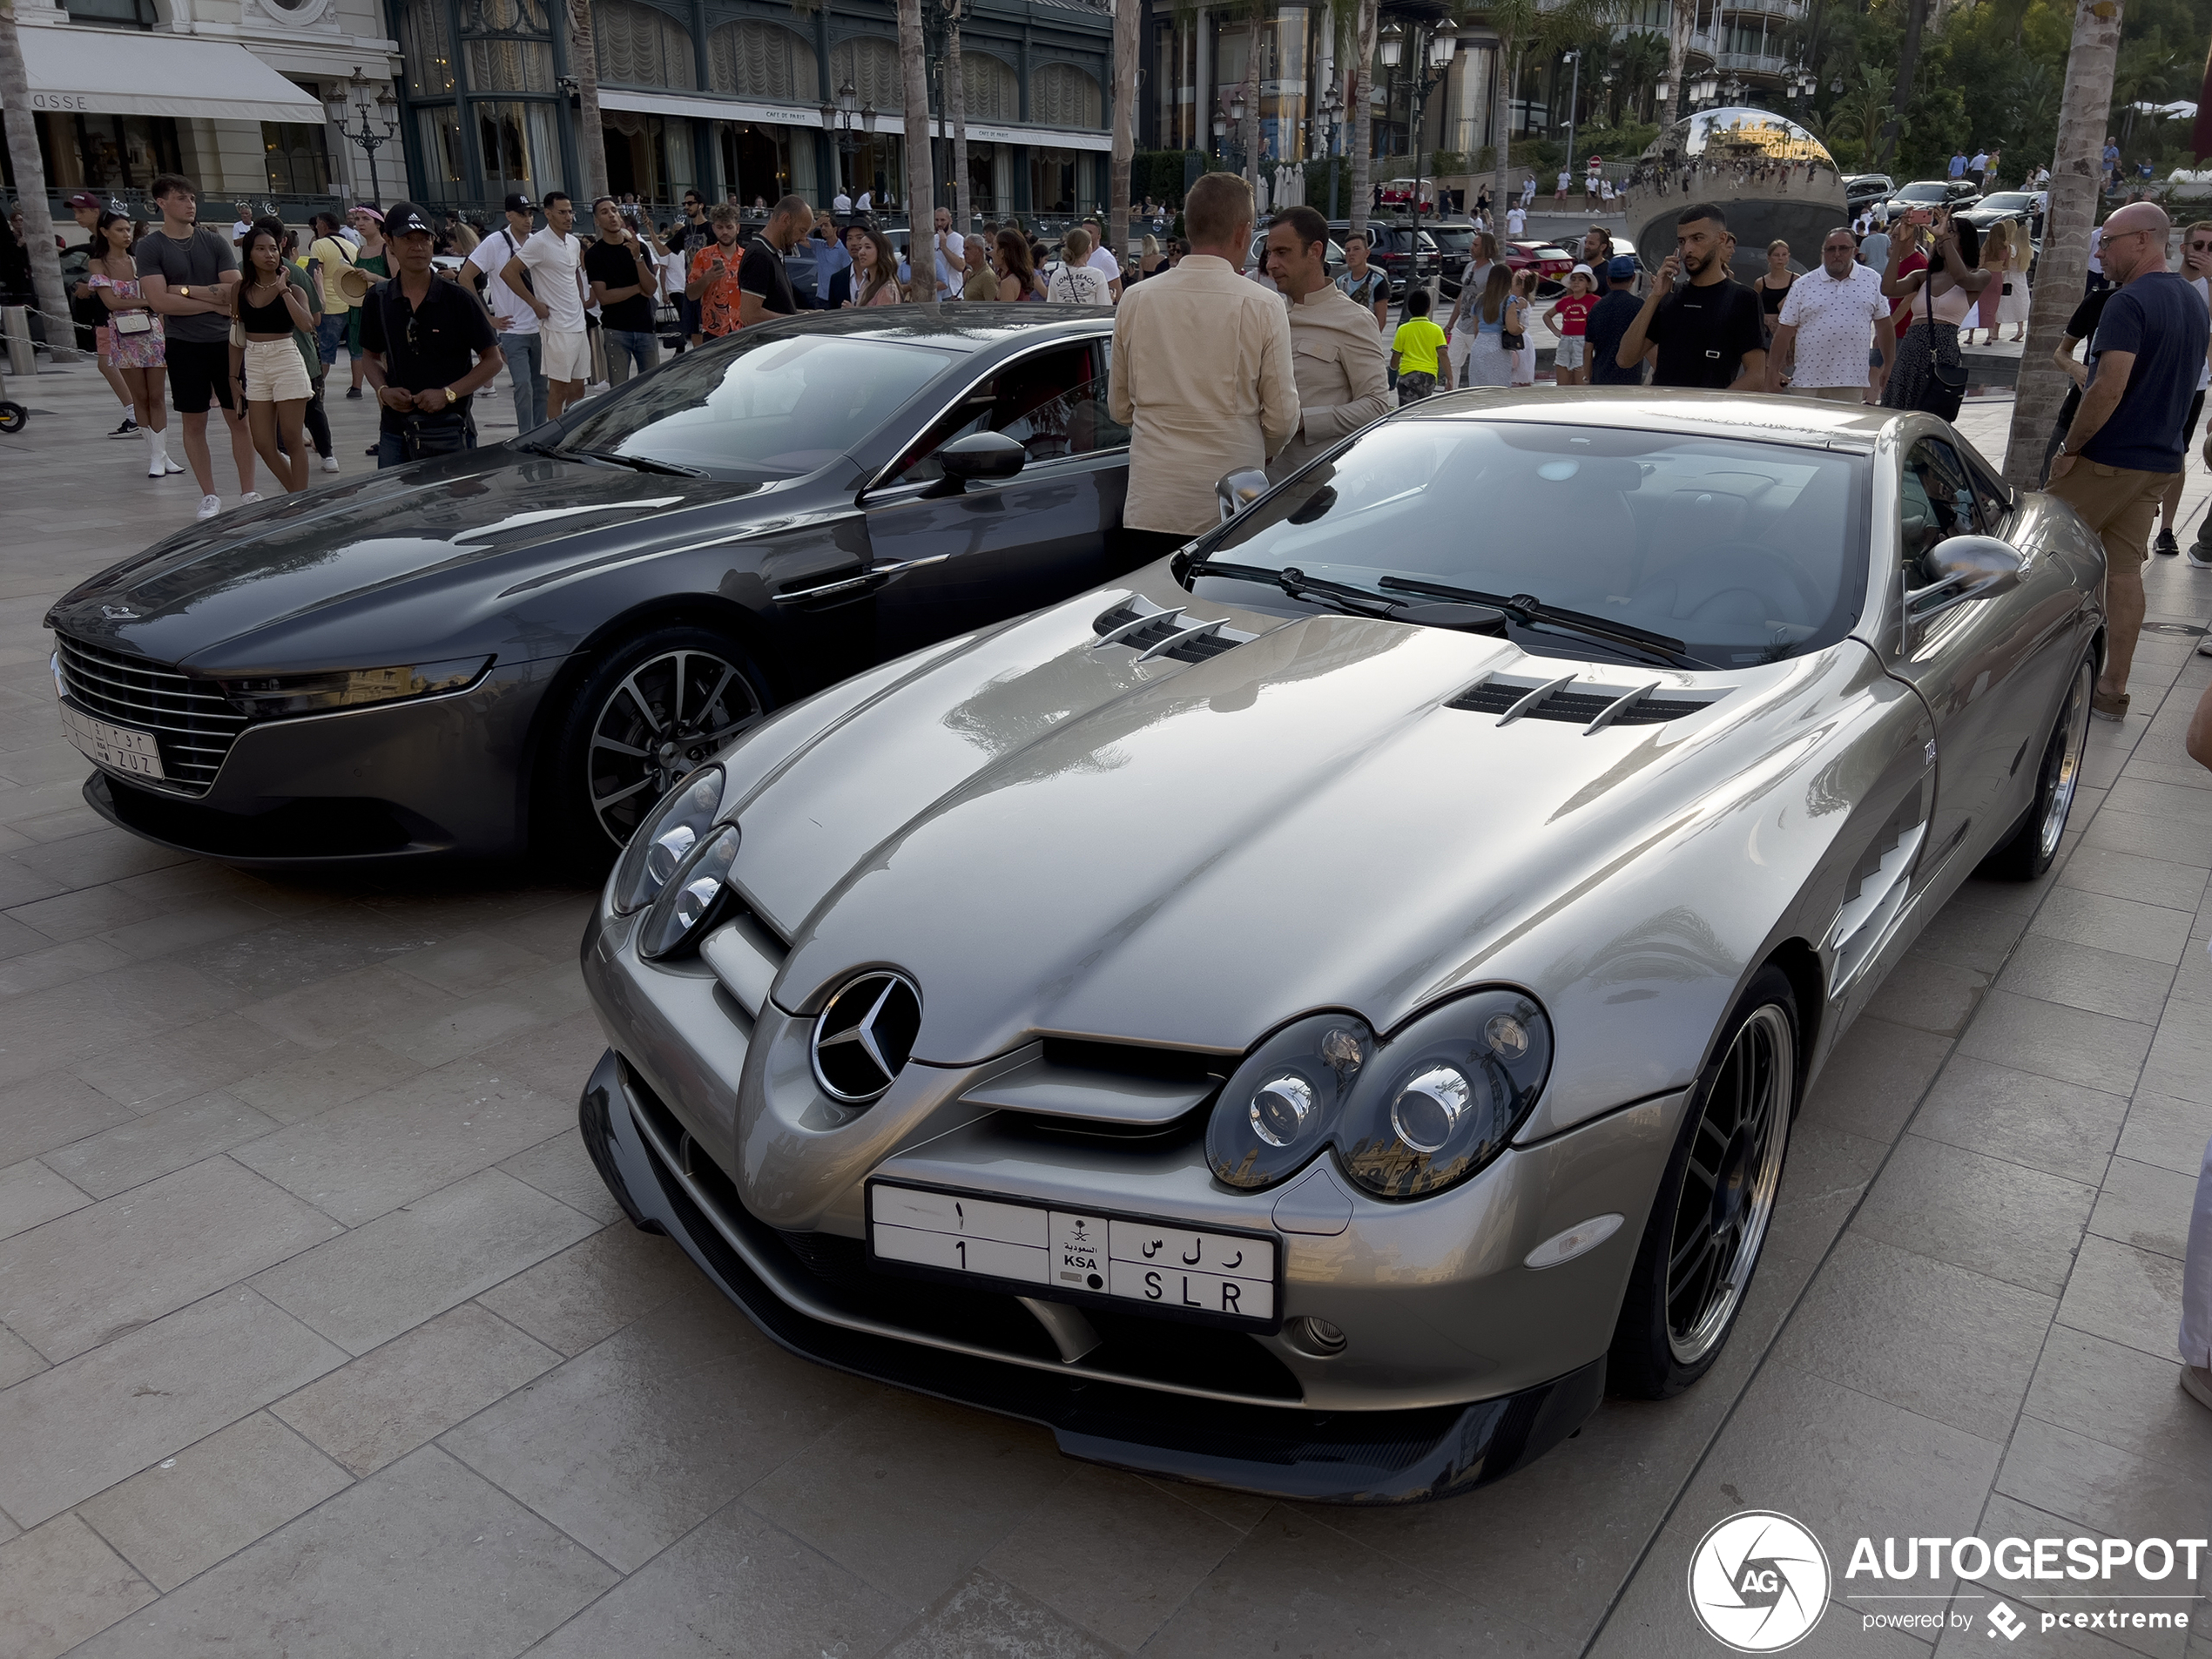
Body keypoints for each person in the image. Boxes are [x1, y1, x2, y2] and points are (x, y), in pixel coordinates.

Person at [2047, 201, 2207, 722]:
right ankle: (2112, 688)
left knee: (2038, 560)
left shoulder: (2126, 303)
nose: (2101, 252)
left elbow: (2106, 388)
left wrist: (2069, 452)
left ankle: (2019, 680)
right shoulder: (2192, 300)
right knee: (2123, 573)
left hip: (2108, 459)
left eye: (2108, 242)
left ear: (2142, 241)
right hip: (2159, 461)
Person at [1108, 171, 1297, 550]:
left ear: (1190, 228)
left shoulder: (1136, 299)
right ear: (1243, 233)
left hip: (1153, 501)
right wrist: (1264, 445)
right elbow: (1281, 417)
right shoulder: (1263, 304)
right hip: (1231, 503)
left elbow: (1119, 407)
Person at [133, 173, 257, 521]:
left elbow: (234, 292)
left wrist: (184, 291)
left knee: (239, 419)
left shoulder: (213, 242)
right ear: (162, 203)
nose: (190, 205)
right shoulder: (151, 246)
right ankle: (209, 495)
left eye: (192, 198)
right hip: (183, 344)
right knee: (194, 422)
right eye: (182, 198)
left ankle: (248, 490)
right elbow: (159, 302)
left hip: (226, 343)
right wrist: (211, 300)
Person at [361, 203, 504, 469]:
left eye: (424, 238)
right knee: (397, 505)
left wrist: (448, 393)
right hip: (395, 430)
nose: (418, 247)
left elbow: (493, 359)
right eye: (407, 239)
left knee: (452, 508)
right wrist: (383, 390)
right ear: (389, 242)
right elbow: (369, 355)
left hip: (450, 429)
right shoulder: (378, 298)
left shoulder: (458, 298)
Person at [1261, 205, 1389, 480]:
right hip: (1257, 487)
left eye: (1282, 253)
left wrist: (1304, 421)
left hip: (1317, 491)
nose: (1271, 263)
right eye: (1269, 253)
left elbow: (1377, 406)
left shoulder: (1353, 320)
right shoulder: (1268, 314)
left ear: (1315, 251)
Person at [1615, 202, 1766, 390]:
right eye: (1682, 241)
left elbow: (1756, 375)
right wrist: (1654, 297)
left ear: (1721, 238)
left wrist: (1712, 409)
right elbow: (1625, 359)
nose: (1688, 249)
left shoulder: (1743, 298)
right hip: (1663, 411)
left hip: (1706, 415)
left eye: (1697, 238)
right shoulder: (1669, 297)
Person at [87, 213, 176, 478]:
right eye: (120, 230)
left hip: (151, 333)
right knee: (140, 396)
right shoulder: (98, 264)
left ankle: (162, 454)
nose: (126, 234)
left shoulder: (140, 262)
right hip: (124, 335)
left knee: (158, 396)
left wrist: (150, 303)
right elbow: (111, 303)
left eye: (128, 229)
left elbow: (159, 296)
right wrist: (146, 302)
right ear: (105, 232)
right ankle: (155, 455)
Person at [233, 219, 317, 496]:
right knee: (263, 443)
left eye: (273, 249)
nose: (269, 254)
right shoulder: (239, 290)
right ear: (249, 254)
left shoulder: (294, 290)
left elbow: (307, 324)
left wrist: (283, 289)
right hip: (255, 362)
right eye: (261, 249)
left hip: (285, 357)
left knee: (292, 437)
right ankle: (298, 496)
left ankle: (299, 501)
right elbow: (236, 336)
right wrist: (233, 377)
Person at [1879, 211, 1988, 421]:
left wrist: (1941, 236)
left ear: (1964, 239)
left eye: (1950, 232)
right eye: (1941, 231)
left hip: (1943, 352)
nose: (1941, 235)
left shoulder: (1979, 275)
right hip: (1911, 349)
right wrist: (1899, 246)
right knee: (1897, 413)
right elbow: (1888, 288)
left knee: (1932, 416)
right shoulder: (1923, 276)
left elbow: (1961, 278)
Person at [1764, 226, 1893, 403]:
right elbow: (1784, 331)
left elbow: (1884, 325)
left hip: (1851, 382)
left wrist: (1889, 364)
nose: (1837, 254)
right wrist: (1772, 371)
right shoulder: (1803, 284)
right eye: (1831, 249)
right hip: (1807, 381)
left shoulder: (1872, 279)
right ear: (1823, 252)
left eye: (1843, 248)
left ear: (1855, 251)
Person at [2155, 220, 2212, 556]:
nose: (2205, 253)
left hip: (2194, 383)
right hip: (2158, 377)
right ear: (2184, 248)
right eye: (2199, 246)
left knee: (2177, 454)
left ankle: (2167, 529)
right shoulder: (2166, 282)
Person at [466, 194, 546, 435]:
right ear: (509, 215)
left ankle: (541, 433)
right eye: (522, 214)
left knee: (541, 386)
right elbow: (465, 277)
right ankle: (526, 434)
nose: (528, 219)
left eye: (531, 214)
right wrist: (486, 316)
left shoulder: (537, 241)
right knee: (523, 385)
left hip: (540, 326)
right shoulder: (494, 242)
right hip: (512, 329)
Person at [504, 192, 589, 419]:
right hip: (556, 327)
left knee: (579, 389)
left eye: (570, 211)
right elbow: (509, 272)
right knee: (558, 390)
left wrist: (582, 299)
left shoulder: (573, 242)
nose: (569, 216)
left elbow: (574, 276)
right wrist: (534, 303)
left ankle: (573, 435)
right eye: (562, 212)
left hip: (579, 324)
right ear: (549, 214)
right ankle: (553, 439)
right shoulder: (538, 242)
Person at [584, 196, 661, 386]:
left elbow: (651, 288)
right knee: (618, 391)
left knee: (652, 389)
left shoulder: (639, 247)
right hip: (616, 330)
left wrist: (638, 258)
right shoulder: (595, 254)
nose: (611, 215)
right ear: (597, 221)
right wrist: (636, 288)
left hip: (645, 328)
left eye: (614, 210)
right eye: (604, 212)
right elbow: (604, 296)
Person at [737, 194, 808, 327]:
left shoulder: (772, 253)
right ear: (785, 219)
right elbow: (750, 316)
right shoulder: (759, 255)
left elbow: (779, 310)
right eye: (802, 230)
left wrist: (808, 315)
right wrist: (797, 321)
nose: (803, 239)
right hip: (767, 345)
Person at [342, 207, 388, 398]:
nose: (360, 223)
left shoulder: (387, 248)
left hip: (382, 310)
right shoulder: (361, 250)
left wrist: (373, 277)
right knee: (365, 355)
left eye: (365, 219)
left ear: (378, 223)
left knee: (386, 359)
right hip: (361, 309)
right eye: (358, 219)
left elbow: (398, 281)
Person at [685, 203, 747, 340]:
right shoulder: (703, 256)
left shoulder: (747, 257)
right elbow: (691, 295)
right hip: (714, 330)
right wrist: (706, 279)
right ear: (713, 228)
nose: (725, 232)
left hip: (743, 328)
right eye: (720, 227)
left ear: (737, 228)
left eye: (729, 227)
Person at [1444, 231, 1499, 381]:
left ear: (1485, 248)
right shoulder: (1469, 267)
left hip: (1479, 327)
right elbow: (1461, 297)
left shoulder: (1491, 271)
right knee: (1452, 362)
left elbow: (1492, 301)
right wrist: (1450, 324)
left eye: (1476, 245)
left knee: (1481, 365)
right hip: (1461, 326)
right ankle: (1451, 393)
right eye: (1472, 244)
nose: (1471, 247)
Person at [1587, 256, 1646, 385]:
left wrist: (1587, 378)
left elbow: (1588, 347)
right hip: (1630, 380)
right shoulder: (1640, 306)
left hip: (1601, 378)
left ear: (1608, 280)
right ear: (1634, 278)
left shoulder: (1597, 307)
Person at [1461, 265, 1520, 388]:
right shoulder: (1509, 300)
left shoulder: (1480, 299)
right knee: (1498, 387)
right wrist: (1522, 328)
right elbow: (1512, 328)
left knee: (1479, 387)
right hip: (1498, 346)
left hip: (1480, 345)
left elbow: (1476, 329)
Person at [1391, 287, 1450, 402]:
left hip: (1408, 376)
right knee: (1422, 406)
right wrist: (1450, 378)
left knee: (1407, 411)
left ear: (1408, 308)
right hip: (1429, 377)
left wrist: (1393, 371)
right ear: (1428, 308)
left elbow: (1396, 356)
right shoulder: (1436, 329)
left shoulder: (1403, 329)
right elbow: (1443, 354)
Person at [1544, 264, 1599, 385]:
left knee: (1581, 382)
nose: (1576, 282)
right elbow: (1547, 315)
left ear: (1588, 284)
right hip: (1565, 341)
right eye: (1573, 279)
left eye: (1581, 279)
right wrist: (1556, 331)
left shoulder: (1595, 301)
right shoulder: (1565, 301)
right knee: (1562, 381)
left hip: (1583, 342)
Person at [1335, 233, 1390, 331]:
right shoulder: (1341, 282)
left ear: (1367, 253)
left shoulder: (1378, 281)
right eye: (1348, 250)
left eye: (1356, 249)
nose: (1351, 253)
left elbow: (1381, 320)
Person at [1045, 227, 1109, 303]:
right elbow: (1104, 307)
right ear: (1089, 249)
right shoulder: (1098, 275)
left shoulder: (1056, 275)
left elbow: (1051, 305)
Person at [843, 225, 902, 307]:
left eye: (868, 247)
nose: (861, 252)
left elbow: (883, 318)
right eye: (860, 248)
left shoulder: (887, 288)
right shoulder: (867, 284)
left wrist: (853, 313)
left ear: (880, 251)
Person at [1753, 239, 1794, 354]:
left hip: (1787, 331)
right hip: (1765, 332)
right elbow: (1755, 308)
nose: (1780, 258)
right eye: (1776, 255)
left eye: (1784, 255)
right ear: (1769, 258)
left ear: (1788, 257)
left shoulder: (1796, 281)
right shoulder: (1760, 282)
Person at [1079, 215, 1125, 300]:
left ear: (1098, 236)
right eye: (1083, 232)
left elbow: (1117, 290)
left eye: (1090, 232)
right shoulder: (1076, 255)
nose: (1086, 235)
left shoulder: (1105, 258)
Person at [812, 210, 851, 309]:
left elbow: (847, 275)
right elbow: (799, 238)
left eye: (826, 225)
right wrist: (816, 224)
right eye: (821, 226)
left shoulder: (843, 250)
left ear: (834, 229)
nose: (823, 228)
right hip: (820, 299)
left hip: (835, 299)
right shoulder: (819, 245)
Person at [992, 229, 1039, 302]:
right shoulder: (1018, 277)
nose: (991, 252)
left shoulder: (1008, 283)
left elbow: (1005, 313)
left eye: (993, 247)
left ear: (1002, 253)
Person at [929, 206, 966, 301]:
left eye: (942, 220)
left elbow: (960, 266)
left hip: (952, 292)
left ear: (950, 221)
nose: (939, 224)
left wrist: (944, 247)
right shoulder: (933, 239)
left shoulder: (958, 239)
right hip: (937, 293)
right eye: (936, 220)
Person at [1508, 271, 1539, 385]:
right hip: (1518, 337)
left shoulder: (1520, 302)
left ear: (1520, 286)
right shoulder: (1517, 300)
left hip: (1520, 340)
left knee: (1521, 373)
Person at [961, 236, 997, 301]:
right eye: (964, 249)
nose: (964, 252)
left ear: (979, 250)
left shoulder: (987, 276)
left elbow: (992, 307)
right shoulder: (972, 273)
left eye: (968, 249)